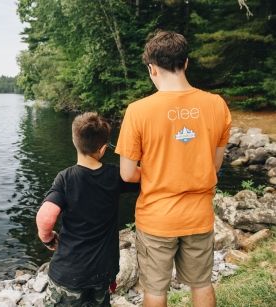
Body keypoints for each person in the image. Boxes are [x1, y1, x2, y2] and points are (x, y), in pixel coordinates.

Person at [115, 30, 232, 307]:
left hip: (157, 219)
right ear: (186, 63)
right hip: (198, 216)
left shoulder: (138, 111)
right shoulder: (216, 105)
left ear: (152, 68)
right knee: (202, 284)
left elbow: (127, 173)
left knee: (155, 291)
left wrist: (158, 172)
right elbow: (214, 166)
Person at [36, 112, 139, 307]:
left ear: (75, 141)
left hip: (68, 274)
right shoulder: (115, 175)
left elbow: (45, 218)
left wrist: (48, 239)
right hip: (103, 273)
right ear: (102, 149)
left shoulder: (65, 178)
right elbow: (145, 176)